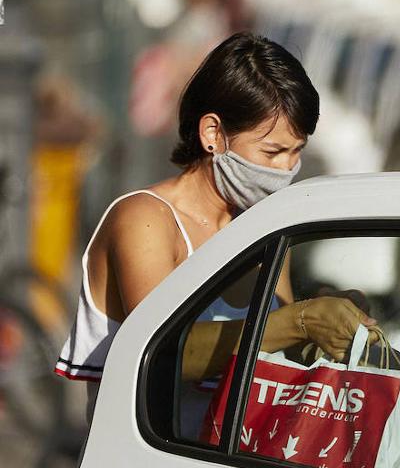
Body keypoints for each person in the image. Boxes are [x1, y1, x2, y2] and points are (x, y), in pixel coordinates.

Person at [56, 32, 373, 416]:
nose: (287, 168)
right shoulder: (146, 221)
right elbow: (160, 351)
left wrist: (334, 322)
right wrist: (301, 321)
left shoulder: (264, 228)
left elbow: (281, 354)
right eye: (272, 151)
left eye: (297, 151)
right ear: (213, 134)